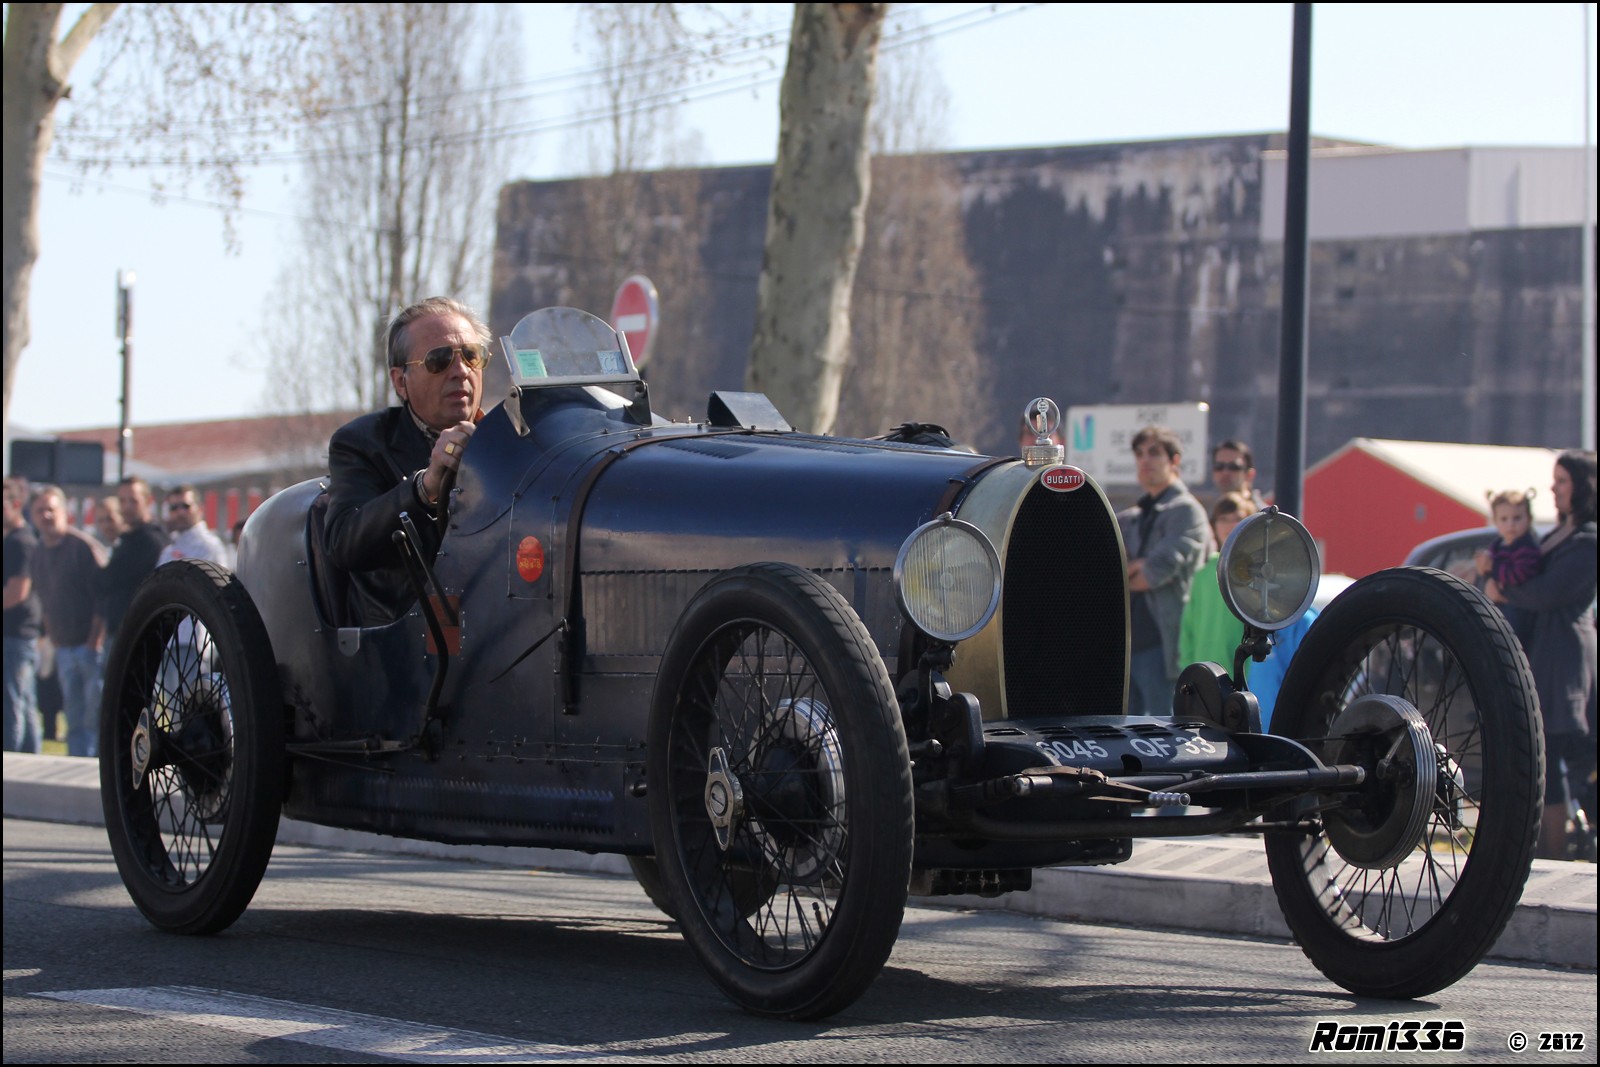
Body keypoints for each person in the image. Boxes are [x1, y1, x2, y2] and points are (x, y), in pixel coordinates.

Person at [326, 296, 489, 624]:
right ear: (401, 381)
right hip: (411, 638)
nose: (460, 371)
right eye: (439, 359)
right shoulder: (362, 443)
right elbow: (344, 542)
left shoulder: (511, 436)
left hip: (509, 622)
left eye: (471, 356)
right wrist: (424, 486)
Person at [1487, 450, 1597, 860]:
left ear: (1583, 486)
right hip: (1539, 654)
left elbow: (1549, 593)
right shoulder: (1557, 535)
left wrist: (1504, 590)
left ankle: (1557, 854)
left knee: (1555, 759)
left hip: (1562, 659)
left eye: (1563, 481)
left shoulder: (1587, 541)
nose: (1554, 489)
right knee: (1541, 759)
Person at [1117, 425, 1208, 716]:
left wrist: (1132, 570)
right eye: (1139, 454)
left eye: (1154, 453)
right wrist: (1132, 568)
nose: (1145, 461)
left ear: (1175, 461)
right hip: (1128, 647)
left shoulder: (1186, 511)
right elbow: (1104, 573)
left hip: (1164, 646)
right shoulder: (1132, 516)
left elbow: (1152, 574)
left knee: (1163, 737)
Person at [28, 486, 107, 757]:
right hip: (64, 646)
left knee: (95, 715)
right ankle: (77, 762)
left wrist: (94, 640)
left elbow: (102, 597)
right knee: (72, 715)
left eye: (51, 509)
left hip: (91, 645)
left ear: (64, 512)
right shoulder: (38, 552)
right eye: (40, 510)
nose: (46, 515)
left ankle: (99, 767)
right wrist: (54, 638)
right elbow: (43, 599)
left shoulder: (82, 546)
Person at [1179, 491, 1258, 672]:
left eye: (1237, 518)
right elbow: (1188, 629)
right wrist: (1188, 668)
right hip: (1205, 676)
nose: (1230, 525)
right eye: (1223, 518)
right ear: (1214, 525)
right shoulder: (1203, 573)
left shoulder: (1258, 572)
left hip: (1245, 677)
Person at [99, 476, 169, 643]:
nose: (127, 507)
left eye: (133, 501)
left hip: (138, 634)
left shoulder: (150, 540)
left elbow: (108, 580)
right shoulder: (128, 538)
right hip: (122, 631)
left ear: (148, 501)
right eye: (122, 501)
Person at [3, 480, 44, 752]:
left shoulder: (21, 542)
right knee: (24, 703)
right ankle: (31, 758)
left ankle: (11, 763)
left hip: (16, 634)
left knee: (11, 705)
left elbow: (17, 592)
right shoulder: (11, 540)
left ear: (16, 505)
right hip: (15, 635)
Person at [1474, 488, 1540, 648]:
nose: (1511, 524)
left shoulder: (1527, 547)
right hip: (1498, 606)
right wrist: (1486, 571)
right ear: (1495, 521)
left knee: (1510, 642)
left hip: (1518, 609)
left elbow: (1518, 574)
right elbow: (1485, 573)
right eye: (1504, 519)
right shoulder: (1497, 545)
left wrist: (1493, 568)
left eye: (1517, 518)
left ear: (1529, 519)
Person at [157, 485, 228, 566]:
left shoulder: (209, 546)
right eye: (174, 507)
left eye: (186, 506)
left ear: (200, 509)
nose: (180, 512)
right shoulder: (168, 551)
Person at [1210, 439, 1266, 509]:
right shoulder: (1209, 513)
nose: (1225, 472)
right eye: (1219, 466)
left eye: (1234, 467)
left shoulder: (1262, 516)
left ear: (1249, 475)